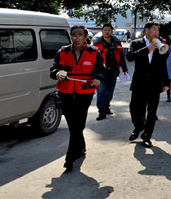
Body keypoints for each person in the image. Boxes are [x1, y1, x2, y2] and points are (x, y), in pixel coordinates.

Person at [50, 25, 105, 172]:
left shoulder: (94, 52)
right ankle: (80, 147)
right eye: (74, 35)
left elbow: (101, 70)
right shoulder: (63, 51)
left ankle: (70, 157)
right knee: (73, 126)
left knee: (78, 124)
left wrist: (98, 78)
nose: (76, 38)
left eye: (80, 35)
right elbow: (53, 69)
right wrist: (56, 73)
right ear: (70, 36)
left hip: (84, 94)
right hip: (66, 93)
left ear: (85, 37)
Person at [126, 21, 169, 148]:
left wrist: (166, 83)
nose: (157, 32)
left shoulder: (160, 44)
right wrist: (146, 49)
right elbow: (129, 57)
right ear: (146, 30)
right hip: (139, 82)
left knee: (152, 111)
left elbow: (163, 66)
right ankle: (139, 126)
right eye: (155, 29)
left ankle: (147, 136)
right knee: (134, 108)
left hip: (154, 83)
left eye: (158, 30)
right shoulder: (136, 43)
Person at [93, 23, 128, 120]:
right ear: (102, 31)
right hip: (101, 72)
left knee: (109, 92)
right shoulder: (97, 43)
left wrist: (125, 69)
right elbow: (92, 58)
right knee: (101, 91)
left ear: (112, 31)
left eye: (109, 30)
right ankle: (101, 111)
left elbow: (121, 56)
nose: (107, 31)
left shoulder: (116, 42)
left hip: (113, 71)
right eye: (105, 30)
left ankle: (106, 106)